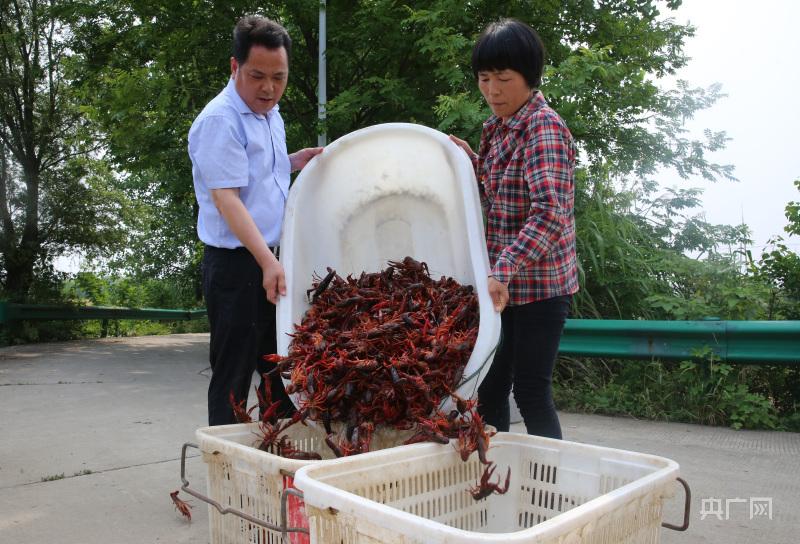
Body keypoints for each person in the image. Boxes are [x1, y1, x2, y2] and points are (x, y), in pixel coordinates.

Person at [188, 15, 323, 426]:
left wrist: (296, 161)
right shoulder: (220, 120)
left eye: (278, 77)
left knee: (278, 369)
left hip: (271, 261)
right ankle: (227, 470)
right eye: (257, 76)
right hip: (238, 265)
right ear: (235, 68)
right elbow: (228, 199)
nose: (268, 88)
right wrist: (267, 262)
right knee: (232, 375)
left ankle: (277, 457)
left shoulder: (269, 113)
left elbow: (260, 174)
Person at [449, 19, 579, 439]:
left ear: (529, 77)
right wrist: (473, 165)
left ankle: (549, 490)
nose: (492, 91)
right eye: (484, 79)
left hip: (540, 288)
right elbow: (499, 198)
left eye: (504, 79)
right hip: (501, 289)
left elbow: (549, 214)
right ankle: (497, 476)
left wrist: (503, 268)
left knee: (530, 390)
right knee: (488, 389)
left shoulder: (544, 128)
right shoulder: (496, 128)